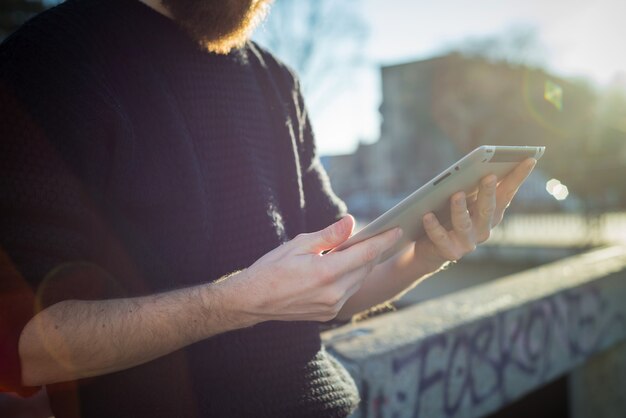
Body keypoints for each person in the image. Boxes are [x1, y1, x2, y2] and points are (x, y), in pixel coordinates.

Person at [0, 0, 536, 417]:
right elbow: (27, 348)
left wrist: (431, 252)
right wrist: (235, 303)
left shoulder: (277, 81)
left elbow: (336, 289)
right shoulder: (47, 62)